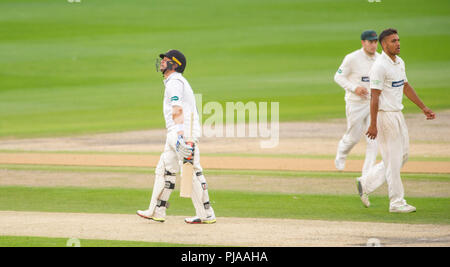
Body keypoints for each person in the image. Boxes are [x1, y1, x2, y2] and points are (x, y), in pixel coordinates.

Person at [359, 29, 436, 212]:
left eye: (398, 40)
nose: (398, 43)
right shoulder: (379, 66)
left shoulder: (399, 62)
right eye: (393, 41)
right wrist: (373, 124)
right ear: (384, 45)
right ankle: (396, 202)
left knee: (403, 155)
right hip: (385, 116)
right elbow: (374, 97)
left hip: (398, 115)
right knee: (393, 161)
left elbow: (405, 86)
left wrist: (423, 107)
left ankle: (366, 183)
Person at [137, 50, 216, 223]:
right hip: (176, 132)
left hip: (182, 132)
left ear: (175, 64)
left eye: (166, 60)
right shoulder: (173, 82)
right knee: (165, 170)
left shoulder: (175, 81)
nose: (162, 62)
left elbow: (177, 107)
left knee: (192, 170)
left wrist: (181, 136)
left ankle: (206, 213)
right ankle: (157, 211)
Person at [334, 30, 380, 177]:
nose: (373, 45)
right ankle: (341, 153)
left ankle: (367, 174)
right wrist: (355, 88)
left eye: (375, 42)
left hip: (373, 103)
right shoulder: (352, 58)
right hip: (355, 104)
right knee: (353, 137)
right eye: (370, 42)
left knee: (373, 139)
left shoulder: (380, 59)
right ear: (363, 43)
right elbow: (338, 77)